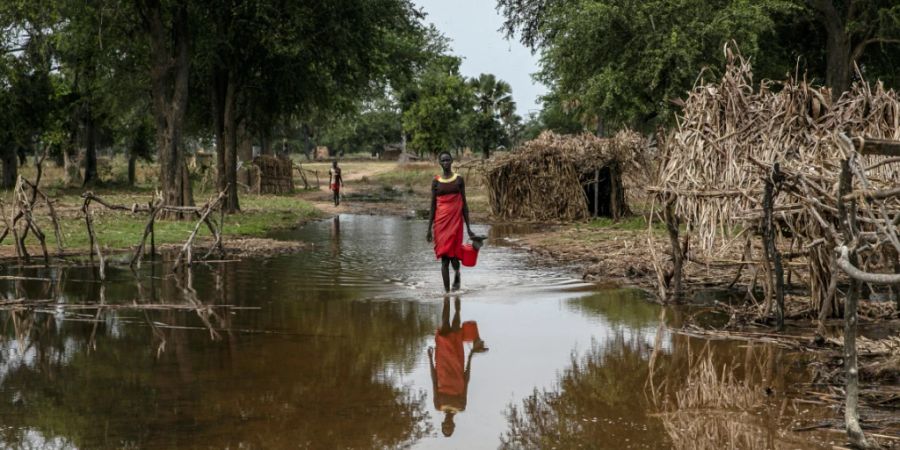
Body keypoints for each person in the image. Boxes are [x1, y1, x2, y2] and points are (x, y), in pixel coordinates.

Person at [428, 296, 487, 437]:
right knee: (455, 328)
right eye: (450, 427)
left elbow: (434, 380)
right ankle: (457, 308)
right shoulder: (461, 405)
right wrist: (471, 355)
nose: (448, 424)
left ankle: (446, 299)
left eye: (445, 426)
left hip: (442, 361)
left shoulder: (438, 405)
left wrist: (430, 358)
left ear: (443, 423)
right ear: (454, 425)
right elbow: (466, 380)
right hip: (457, 363)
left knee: (444, 325)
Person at [426, 151, 476, 292]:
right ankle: (447, 293)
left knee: (454, 256)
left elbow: (464, 205)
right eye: (443, 160)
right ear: (440, 163)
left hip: (456, 222)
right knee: (444, 258)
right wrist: (429, 228)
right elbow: (432, 206)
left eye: (448, 160)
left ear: (452, 161)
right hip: (440, 224)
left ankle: (457, 275)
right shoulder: (436, 181)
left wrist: (469, 228)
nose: (446, 162)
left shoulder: (459, 179)